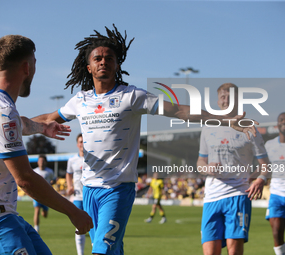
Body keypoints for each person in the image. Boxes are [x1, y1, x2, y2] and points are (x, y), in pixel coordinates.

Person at [31, 25, 257, 255]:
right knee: (112, 249)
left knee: (102, 251)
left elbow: (178, 110)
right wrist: (14, 125)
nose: (103, 62)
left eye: (109, 58)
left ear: (117, 65)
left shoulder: (132, 96)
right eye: (97, 58)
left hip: (117, 189)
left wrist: (224, 119)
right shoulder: (80, 100)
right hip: (89, 189)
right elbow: (49, 118)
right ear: (88, 67)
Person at [0, 35, 93, 255]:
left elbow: (17, 123)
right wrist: (73, 212)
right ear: (26, 67)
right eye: (35, 62)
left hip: (1, 213)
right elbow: (25, 179)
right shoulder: (1, 111)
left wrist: (43, 127)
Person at [196, 83, 270, 255]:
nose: (226, 100)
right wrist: (207, 168)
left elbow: (266, 166)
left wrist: (261, 179)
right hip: (211, 196)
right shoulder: (208, 128)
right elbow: (200, 161)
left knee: (234, 251)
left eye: (231, 97)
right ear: (218, 101)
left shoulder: (250, 129)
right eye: (223, 97)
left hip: (238, 194)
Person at [265, 112, 285, 255]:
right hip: (277, 196)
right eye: (281, 120)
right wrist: (250, 177)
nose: (284, 122)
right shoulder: (269, 145)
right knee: (276, 233)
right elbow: (264, 168)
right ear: (277, 124)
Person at [66, 133, 86, 255]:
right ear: (77, 144)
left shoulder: (91, 159)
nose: (82, 144)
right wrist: (69, 186)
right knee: (79, 227)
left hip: (90, 197)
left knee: (95, 226)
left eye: (84, 141)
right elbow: (68, 173)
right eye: (80, 141)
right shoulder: (72, 160)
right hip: (78, 197)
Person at [32, 154, 56, 233]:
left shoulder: (49, 171)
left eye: (43, 161)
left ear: (45, 162)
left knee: (45, 215)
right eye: (40, 161)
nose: (41, 162)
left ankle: (44, 210)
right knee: (37, 210)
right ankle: (36, 229)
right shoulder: (34, 171)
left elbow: (54, 179)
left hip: (46, 195)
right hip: (37, 195)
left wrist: (53, 182)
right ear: (37, 162)